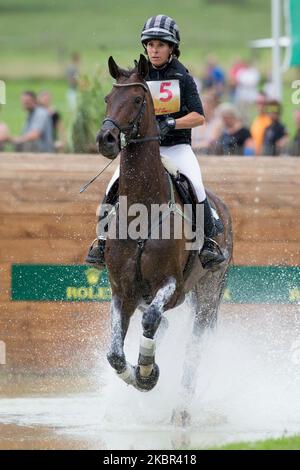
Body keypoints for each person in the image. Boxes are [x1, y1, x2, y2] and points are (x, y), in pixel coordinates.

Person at [86, 15, 225, 269]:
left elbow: (198, 117)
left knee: (195, 184)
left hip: (176, 147)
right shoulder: (139, 76)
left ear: (171, 48)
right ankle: (102, 241)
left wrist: (171, 123)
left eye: (160, 45)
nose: (154, 50)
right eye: (150, 45)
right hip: (143, 149)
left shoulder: (182, 76)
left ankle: (207, 244)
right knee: (113, 186)